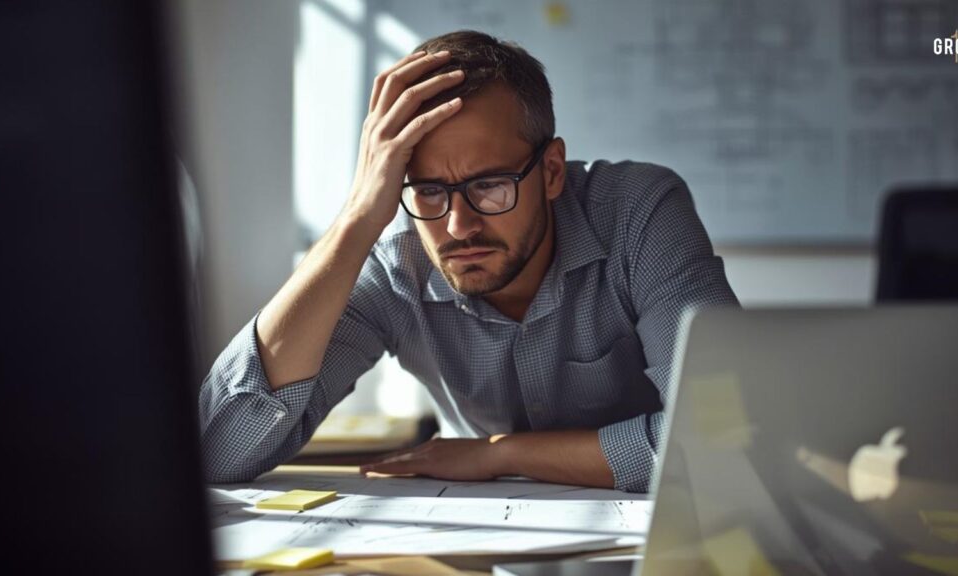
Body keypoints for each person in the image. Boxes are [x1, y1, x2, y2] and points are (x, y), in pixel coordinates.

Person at [198, 30, 738, 493]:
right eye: (429, 191)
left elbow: (724, 439)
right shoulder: (396, 264)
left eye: (489, 185)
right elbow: (219, 451)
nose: (458, 226)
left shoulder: (638, 213)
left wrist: (503, 454)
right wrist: (358, 218)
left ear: (551, 172)